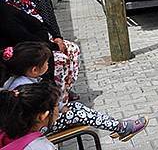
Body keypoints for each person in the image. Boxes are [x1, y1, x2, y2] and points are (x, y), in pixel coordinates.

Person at [1, 42, 148, 141]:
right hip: (34, 129)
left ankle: (116, 126)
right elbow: (41, 109)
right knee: (77, 112)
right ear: (34, 70)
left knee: (75, 109)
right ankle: (120, 127)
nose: (48, 65)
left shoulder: (18, 81)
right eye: (46, 63)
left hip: (32, 125)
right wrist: (60, 107)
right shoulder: (22, 86)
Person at [0, 0, 80, 105]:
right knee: (61, 59)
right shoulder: (6, 11)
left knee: (73, 49)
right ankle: (57, 100)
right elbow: (24, 38)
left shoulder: (24, 3)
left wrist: (57, 37)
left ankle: (65, 89)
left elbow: (43, 22)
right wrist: (52, 45)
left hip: (42, 41)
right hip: (28, 50)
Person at [0, 81, 61, 150]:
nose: (58, 108)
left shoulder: (5, 133)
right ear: (42, 116)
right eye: (57, 105)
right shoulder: (41, 147)